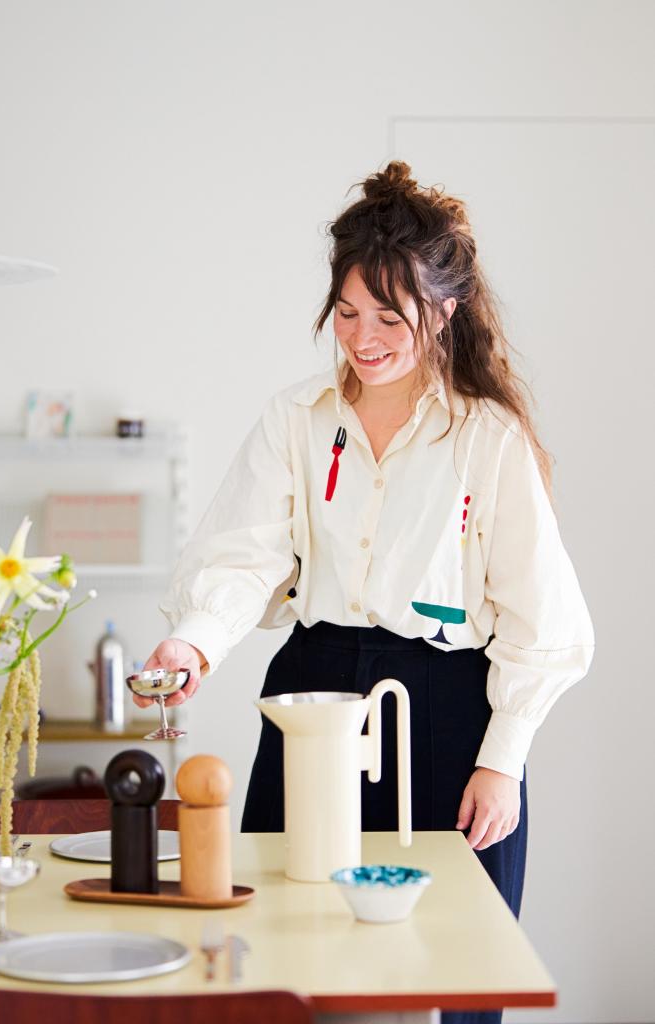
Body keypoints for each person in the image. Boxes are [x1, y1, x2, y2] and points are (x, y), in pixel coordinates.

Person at [136, 160, 595, 1024]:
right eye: (348, 313)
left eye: (391, 316)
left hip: (449, 713)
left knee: (449, 967)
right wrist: (193, 640)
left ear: (445, 311)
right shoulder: (296, 417)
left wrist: (503, 757)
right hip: (313, 699)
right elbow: (243, 552)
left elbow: (545, 617)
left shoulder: (486, 437)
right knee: (293, 955)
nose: (364, 336)